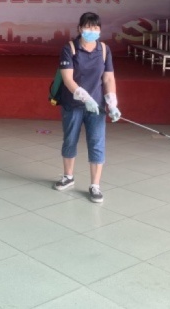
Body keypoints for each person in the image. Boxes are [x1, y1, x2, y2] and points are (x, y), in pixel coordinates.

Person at [53, 12, 121, 203]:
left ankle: (95, 185)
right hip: (73, 104)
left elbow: (108, 78)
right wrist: (85, 98)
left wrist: (112, 102)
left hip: (97, 107)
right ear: (80, 28)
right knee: (70, 140)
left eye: (95, 27)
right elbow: (68, 79)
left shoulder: (104, 50)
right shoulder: (70, 48)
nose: (92, 31)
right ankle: (68, 176)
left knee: (97, 142)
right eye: (88, 27)